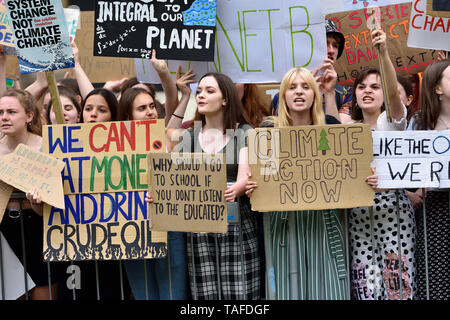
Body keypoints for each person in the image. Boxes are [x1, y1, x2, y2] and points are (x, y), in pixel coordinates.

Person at [245, 67, 347, 300]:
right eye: (292, 87)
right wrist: (254, 187)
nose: (299, 92)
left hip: (324, 225)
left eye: (305, 87)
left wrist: (363, 178)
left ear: (315, 94)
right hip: (284, 225)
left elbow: (347, 173)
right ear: (283, 96)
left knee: (328, 291)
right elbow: (262, 177)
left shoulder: (331, 127)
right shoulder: (268, 132)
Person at [167, 72, 261, 300]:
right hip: (200, 231)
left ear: (225, 99)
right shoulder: (189, 137)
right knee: (205, 296)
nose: (202, 95)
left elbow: (245, 174)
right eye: (199, 91)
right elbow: (170, 169)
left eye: (210, 91)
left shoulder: (243, 132)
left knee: (241, 295)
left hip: (236, 228)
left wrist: (238, 187)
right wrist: (161, 193)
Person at [348, 29, 417, 300]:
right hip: (359, 217)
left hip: (393, 216)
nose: (367, 91)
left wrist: (383, 52)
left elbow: (393, 95)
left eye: (374, 87)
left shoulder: (391, 124)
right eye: (362, 86)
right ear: (354, 93)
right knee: (366, 289)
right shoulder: (346, 129)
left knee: (396, 289)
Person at [117, 86, 191, 300]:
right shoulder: (113, 147)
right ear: (128, 116)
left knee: (173, 296)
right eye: (141, 108)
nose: (150, 111)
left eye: (152, 106)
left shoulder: (170, 139)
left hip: (169, 230)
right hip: (132, 232)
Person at [0, 88, 62, 299]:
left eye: (11, 112)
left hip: (39, 233)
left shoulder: (46, 148)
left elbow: (52, 205)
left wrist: (38, 203)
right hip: (5, 233)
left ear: (29, 116)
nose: (4, 117)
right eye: (0, 112)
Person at [408, 58, 450, 300]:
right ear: (437, 88)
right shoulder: (420, 123)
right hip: (434, 210)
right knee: (436, 275)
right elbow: (405, 167)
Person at [271, 19, 352, 123]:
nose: (331, 50)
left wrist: (329, 93)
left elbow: (338, 134)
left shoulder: (347, 94)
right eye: (325, 43)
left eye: (335, 46)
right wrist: (310, 93)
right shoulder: (284, 95)